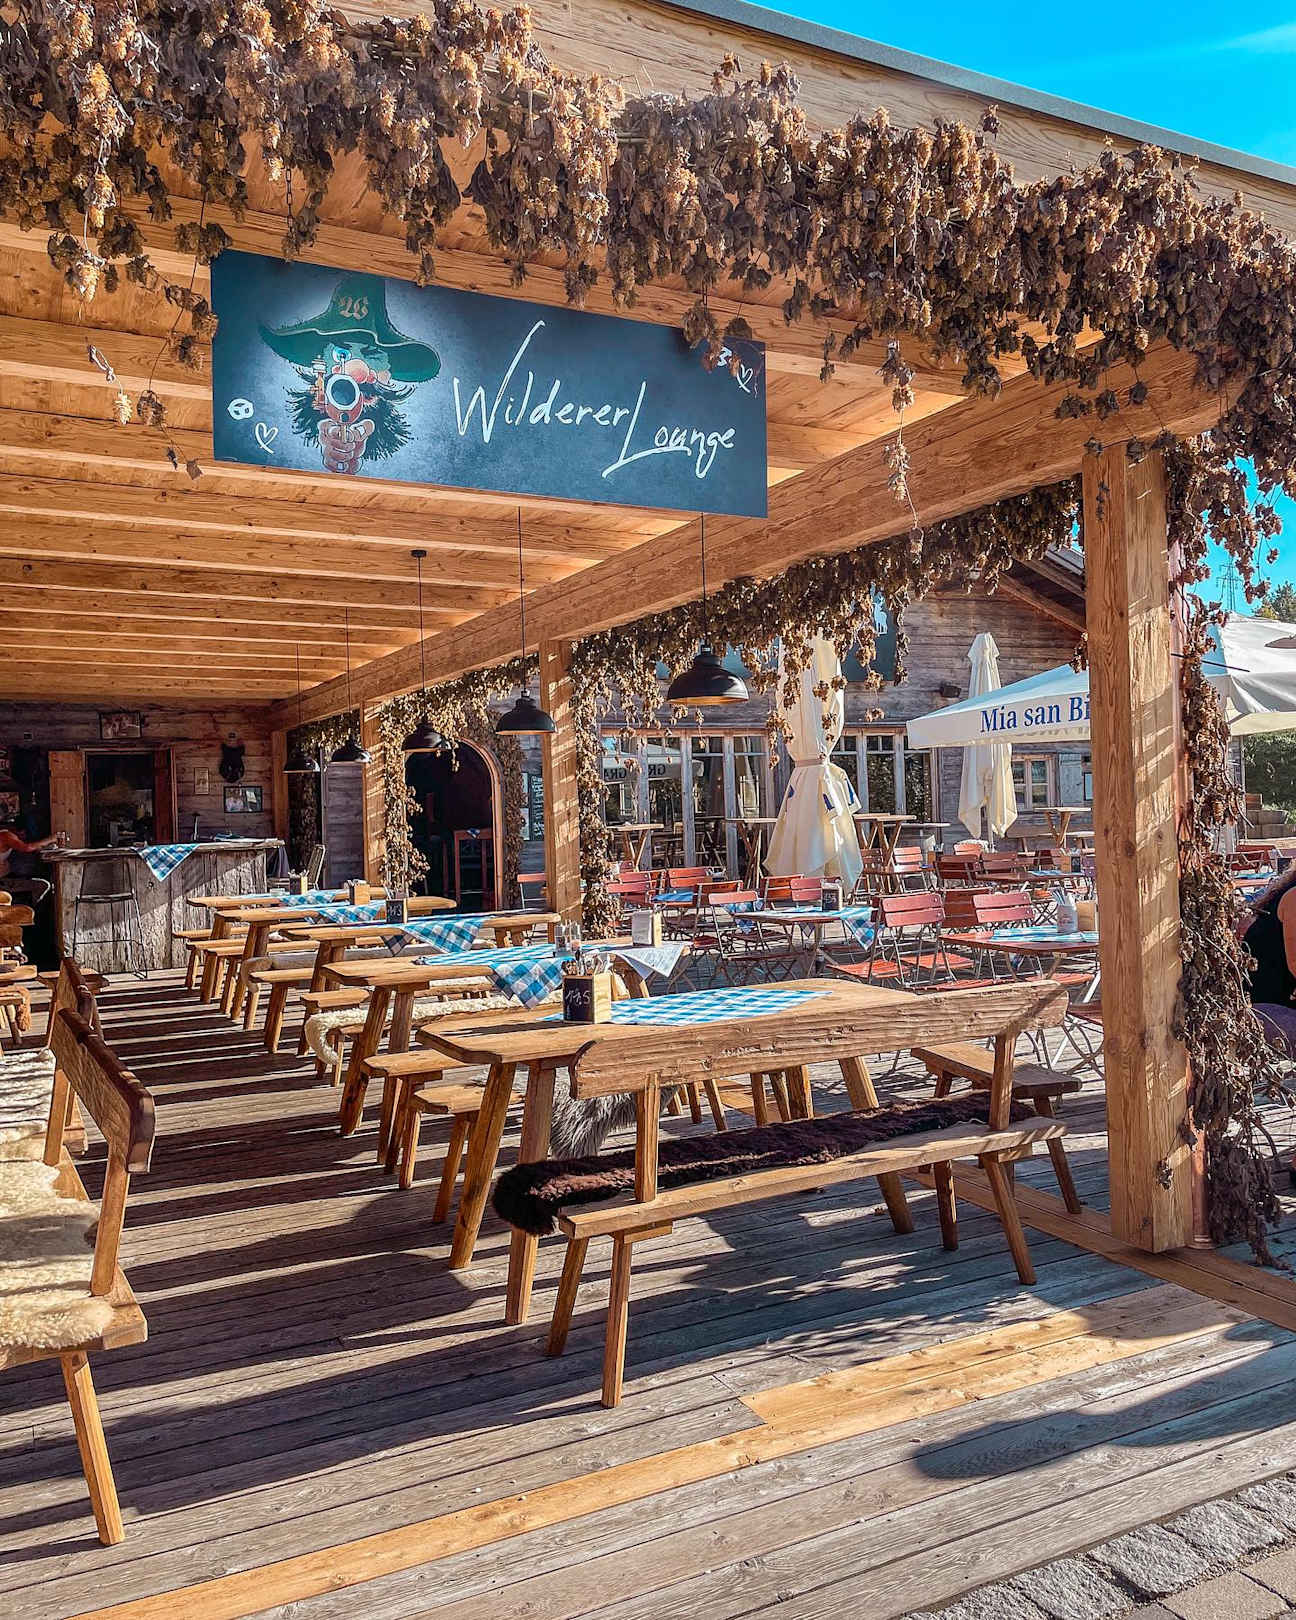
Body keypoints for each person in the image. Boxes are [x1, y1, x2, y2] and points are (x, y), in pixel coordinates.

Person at [0, 822, 64, 880]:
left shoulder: (7, 834)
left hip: (7, 862)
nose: (23, 835)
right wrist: (51, 839)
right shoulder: (6, 836)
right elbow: (27, 848)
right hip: (7, 867)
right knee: (22, 864)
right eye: (23, 833)